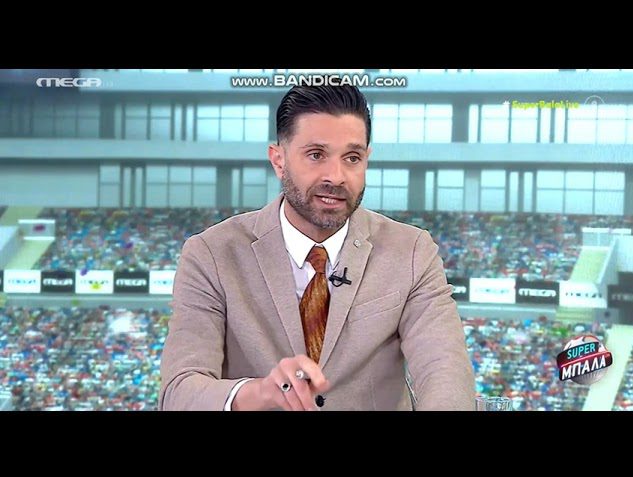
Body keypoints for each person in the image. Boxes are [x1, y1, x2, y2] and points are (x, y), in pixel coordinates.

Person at [159, 84, 475, 411]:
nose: (336, 176)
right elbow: (178, 393)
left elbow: (445, 369)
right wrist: (260, 392)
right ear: (279, 160)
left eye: (352, 158)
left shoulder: (412, 252)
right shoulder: (211, 254)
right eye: (316, 155)